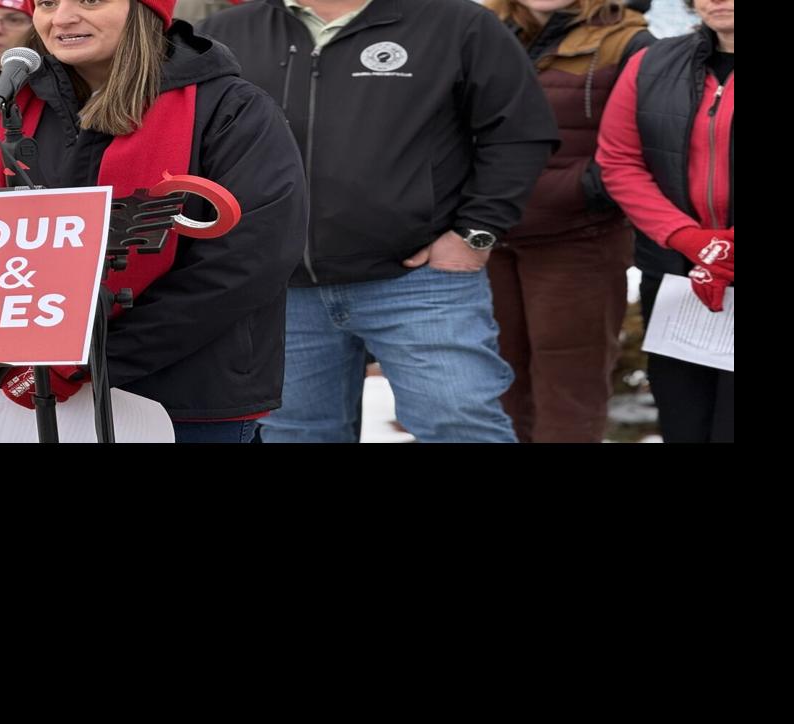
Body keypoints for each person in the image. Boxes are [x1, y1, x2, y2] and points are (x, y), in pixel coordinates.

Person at [0, 0, 307, 443]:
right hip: (18, 394)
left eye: (90, 0)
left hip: (182, 395)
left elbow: (250, 257)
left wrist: (93, 359)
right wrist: (1, 365)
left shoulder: (230, 107)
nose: (62, 18)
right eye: (46, 2)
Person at [200, 0, 558, 443]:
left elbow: (520, 132)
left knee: (459, 424)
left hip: (419, 282)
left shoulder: (458, 23)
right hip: (278, 291)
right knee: (295, 434)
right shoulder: (225, 32)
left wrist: (475, 233)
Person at [482, 0, 650, 443]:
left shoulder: (628, 42)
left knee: (568, 392)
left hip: (577, 240)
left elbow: (649, 140)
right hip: (483, 240)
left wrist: (581, 191)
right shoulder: (481, 30)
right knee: (492, 389)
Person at [595, 0, 733, 442]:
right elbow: (619, 160)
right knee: (684, 423)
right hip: (677, 275)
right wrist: (687, 238)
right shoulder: (652, 64)